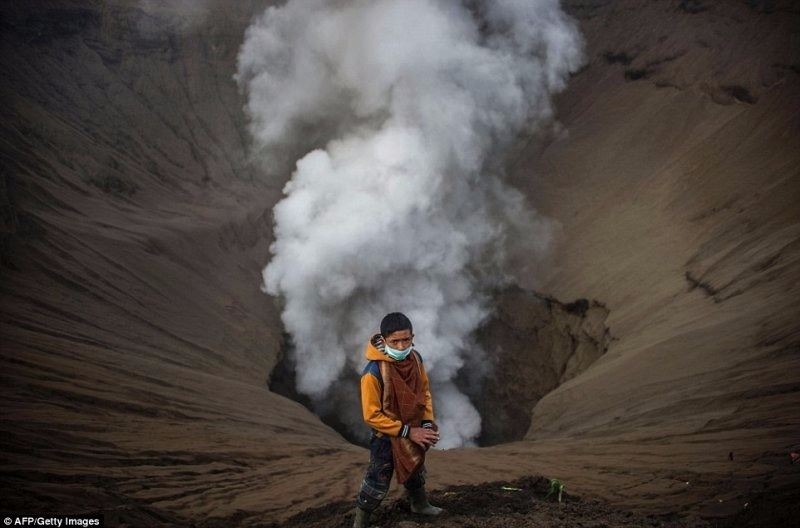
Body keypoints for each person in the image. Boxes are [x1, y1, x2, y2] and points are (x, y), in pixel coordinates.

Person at [352, 312, 444, 528]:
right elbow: (371, 415)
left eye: (406, 339)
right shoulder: (372, 373)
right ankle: (360, 523)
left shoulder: (416, 359)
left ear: (413, 337)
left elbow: (424, 393)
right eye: (395, 341)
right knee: (378, 478)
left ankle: (420, 504)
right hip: (385, 436)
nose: (402, 346)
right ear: (384, 341)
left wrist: (427, 423)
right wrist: (407, 432)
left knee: (414, 467)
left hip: (413, 426)